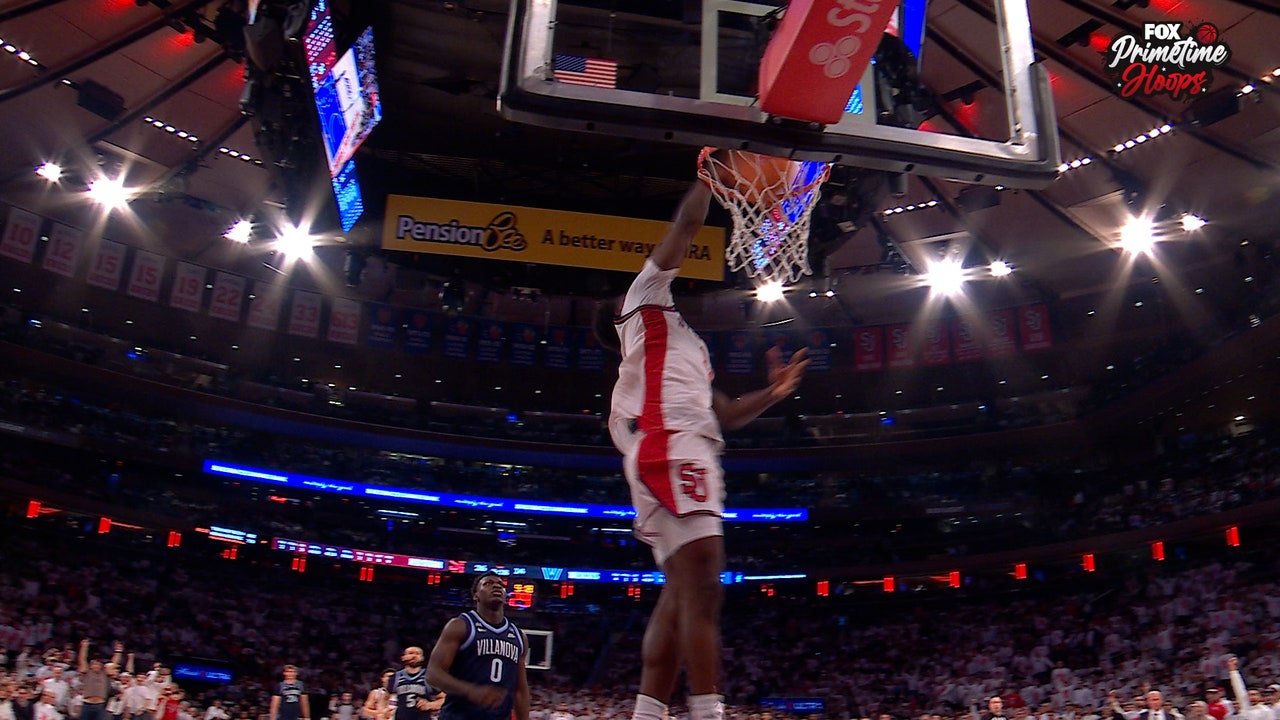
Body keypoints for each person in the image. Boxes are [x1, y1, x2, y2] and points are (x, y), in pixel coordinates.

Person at [594, 177, 809, 720]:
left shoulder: (684, 342)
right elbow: (688, 225)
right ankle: (709, 712)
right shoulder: (642, 301)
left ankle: (649, 712)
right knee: (706, 582)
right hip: (671, 445)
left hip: (687, 446)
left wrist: (775, 392)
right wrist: (709, 174)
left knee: (680, 594)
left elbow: (728, 413)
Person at [426, 572, 529, 720]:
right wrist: (470, 690)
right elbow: (433, 674)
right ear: (476, 596)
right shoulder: (460, 625)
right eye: (488, 583)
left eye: (501, 585)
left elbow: (520, 690)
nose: (496, 586)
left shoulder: (519, 636)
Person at [385, 649, 443, 720]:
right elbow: (384, 698)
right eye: (410, 653)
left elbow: (443, 699)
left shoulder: (429, 677)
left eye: (417, 654)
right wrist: (383, 712)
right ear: (403, 657)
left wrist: (430, 705)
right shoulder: (395, 677)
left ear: (422, 658)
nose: (414, 656)